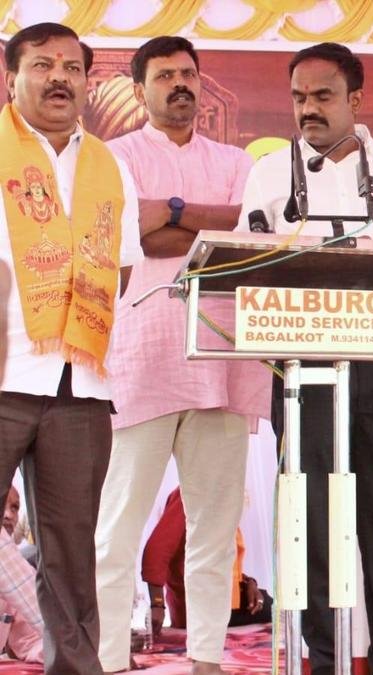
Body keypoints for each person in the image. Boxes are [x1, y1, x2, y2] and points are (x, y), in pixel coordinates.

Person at [237, 42, 373, 675]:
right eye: (299, 97)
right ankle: (324, 662)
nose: (308, 109)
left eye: (323, 96)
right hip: (303, 370)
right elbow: (246, 265)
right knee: (314, 526)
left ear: (355, 99)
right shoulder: (269, 172)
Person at [94, 35, 270, 675]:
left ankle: (206, 658)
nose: (180, 85)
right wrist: (201, 223)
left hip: (221, 359)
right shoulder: (113, 157)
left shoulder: (238, 161)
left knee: (214, 528)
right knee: (117, 526)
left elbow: (245, 236)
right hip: (140, 359)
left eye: (189, 74)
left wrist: (167, 213)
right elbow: (130, 237)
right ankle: (108, 658)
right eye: (165, 75)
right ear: (139, 88)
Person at [0, 22, 143, 675]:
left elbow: (124, 268)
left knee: (71, 556)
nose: (59, 77)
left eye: (72, 67)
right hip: (5, 372)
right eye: (42, 64)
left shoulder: (110, 166)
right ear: (12, 77)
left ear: (87, 81)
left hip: (79, 385)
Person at [142, 487, 272, 638]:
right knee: (275, 609)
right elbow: (157, 549)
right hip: (200, 609)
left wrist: (249, 583)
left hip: (223, 601)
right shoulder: (190, 492)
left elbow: (222, 563)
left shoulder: (222, 497)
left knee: (270, 605)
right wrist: (157, 603)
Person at [0, 487, 44, 664]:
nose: (8, 515)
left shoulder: (19, 573)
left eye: (14, 508)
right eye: (1, 505)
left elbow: (30, 641)